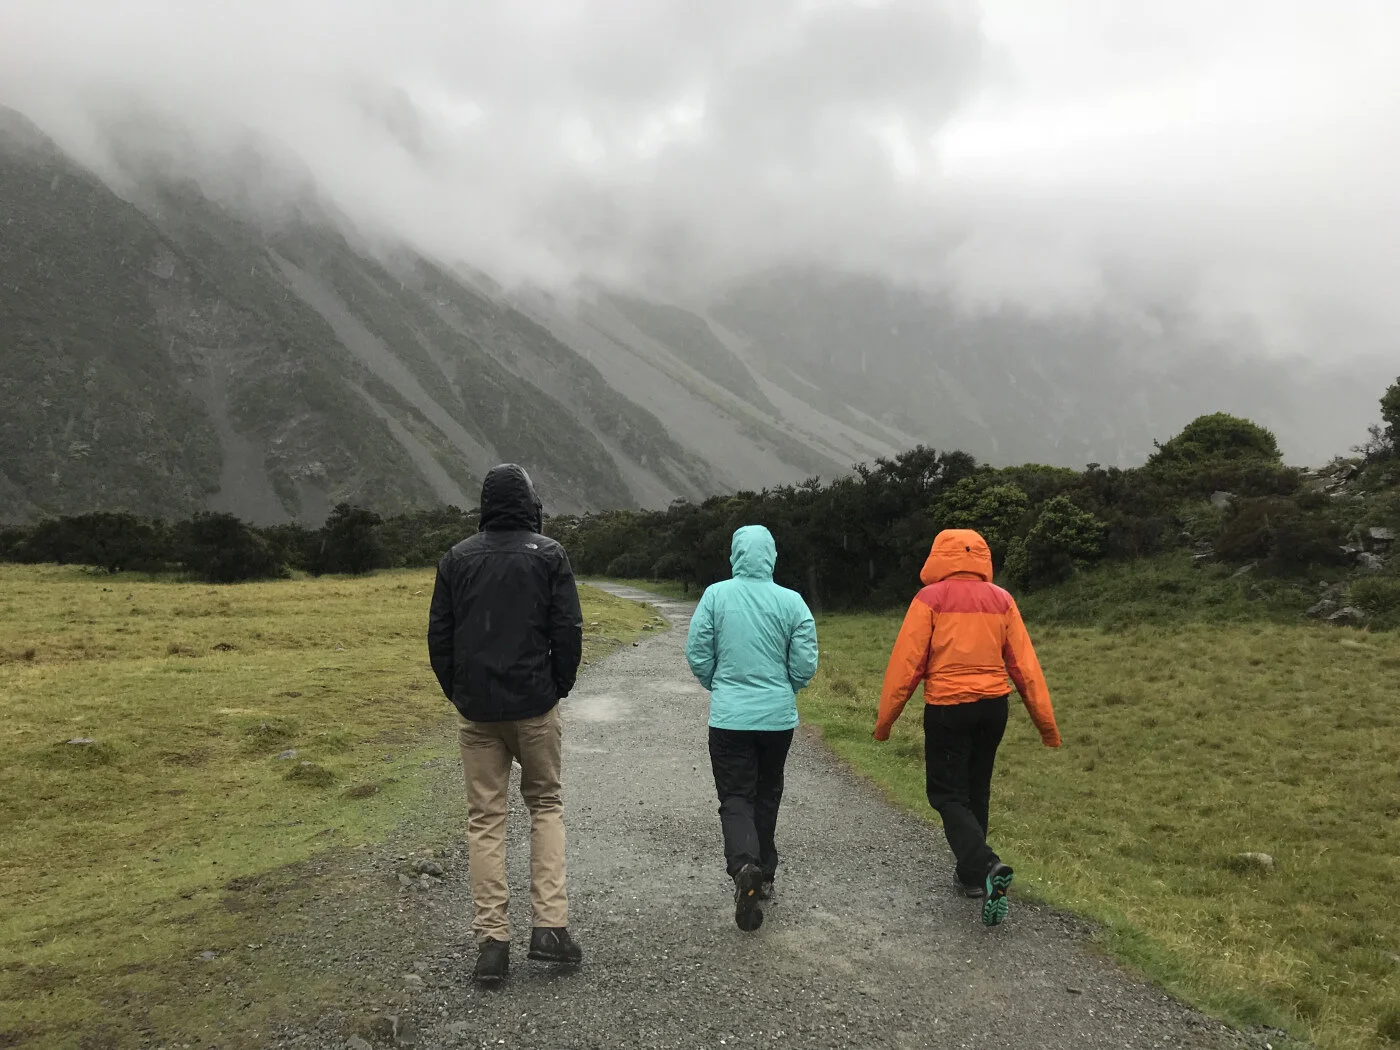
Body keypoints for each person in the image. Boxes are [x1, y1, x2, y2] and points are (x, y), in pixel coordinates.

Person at [427, 464, 584, 984]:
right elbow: (566, 630)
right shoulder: (550, 555)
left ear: (485, 505)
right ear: (529, 503)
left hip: (477, 714)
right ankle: (550, 930)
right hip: (535, 707)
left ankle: (492, 944)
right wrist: (555, 687)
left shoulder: (457, 559)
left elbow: (440, 639)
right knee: (546, 806)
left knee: (485, 820)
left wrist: (461, 695)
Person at [873, 528, 1060, 927]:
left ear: (939, 557)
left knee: (946, 792)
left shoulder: (930, 599)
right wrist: (1046, 725)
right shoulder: (1002, 599)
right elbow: (1024, 667)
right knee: (977, 788)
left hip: (948, 707)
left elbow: (908, 664)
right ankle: (971, 878)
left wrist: (885, 722)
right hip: (995, 706)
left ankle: (985, 864)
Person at [685, 524, 818, 932]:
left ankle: (745, 864)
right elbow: (805, 661)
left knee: (735, 796)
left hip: (729, 718)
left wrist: (718, 685)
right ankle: (765, 868)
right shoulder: (792, 601)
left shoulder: (715, 595)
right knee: (768, 790)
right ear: (772, 556)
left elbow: (697, 651)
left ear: (735, 555)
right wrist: (786, 688)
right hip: (777, 719)